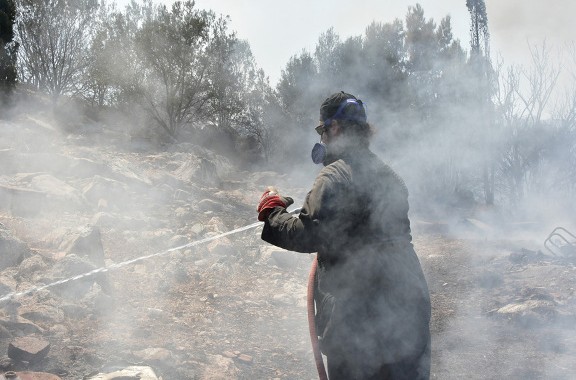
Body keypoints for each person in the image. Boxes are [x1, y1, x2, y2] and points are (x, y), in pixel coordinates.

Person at [257, 91, 431, 380]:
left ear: (334, 128)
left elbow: (308, 234)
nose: (322, 139)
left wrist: (273, 213)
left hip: (360, 322)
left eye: (322, 131)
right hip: (409, 311)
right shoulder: (391, 177)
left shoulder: (335, 175)